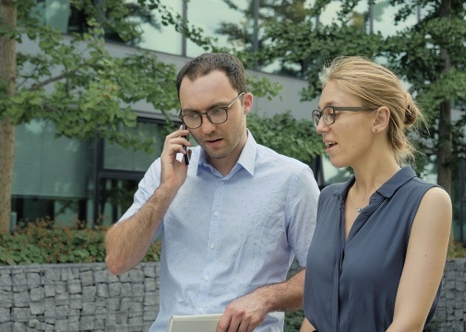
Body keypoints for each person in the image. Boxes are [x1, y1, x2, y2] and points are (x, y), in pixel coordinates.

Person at [105, 52, 320, 332]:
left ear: (246, 103)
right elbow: (117, 260)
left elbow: (326, 274)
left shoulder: (292, 179)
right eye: (193, 115)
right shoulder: (165, 172)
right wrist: (168, 189)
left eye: (218, 110)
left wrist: (265, 298)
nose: (206, 128)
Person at [300, 56, 452, 332]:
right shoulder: (328, 199)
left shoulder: (427, 203)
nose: (321, 126)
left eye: (333, 112)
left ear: (379, 119)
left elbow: (407, 324)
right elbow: (314, 316)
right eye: (320, 114)